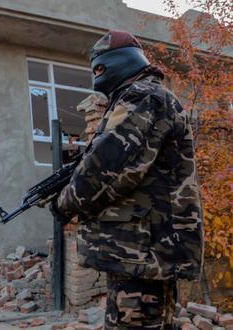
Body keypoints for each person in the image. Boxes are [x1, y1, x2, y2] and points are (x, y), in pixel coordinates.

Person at [50, 30, 203, 329]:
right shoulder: (148, 96)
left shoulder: (142, 96)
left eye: (99, 66)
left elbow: (104, 169)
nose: (96, 74)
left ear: (119, 62)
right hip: (143, 252)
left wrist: (64, 202)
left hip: (142, 253)